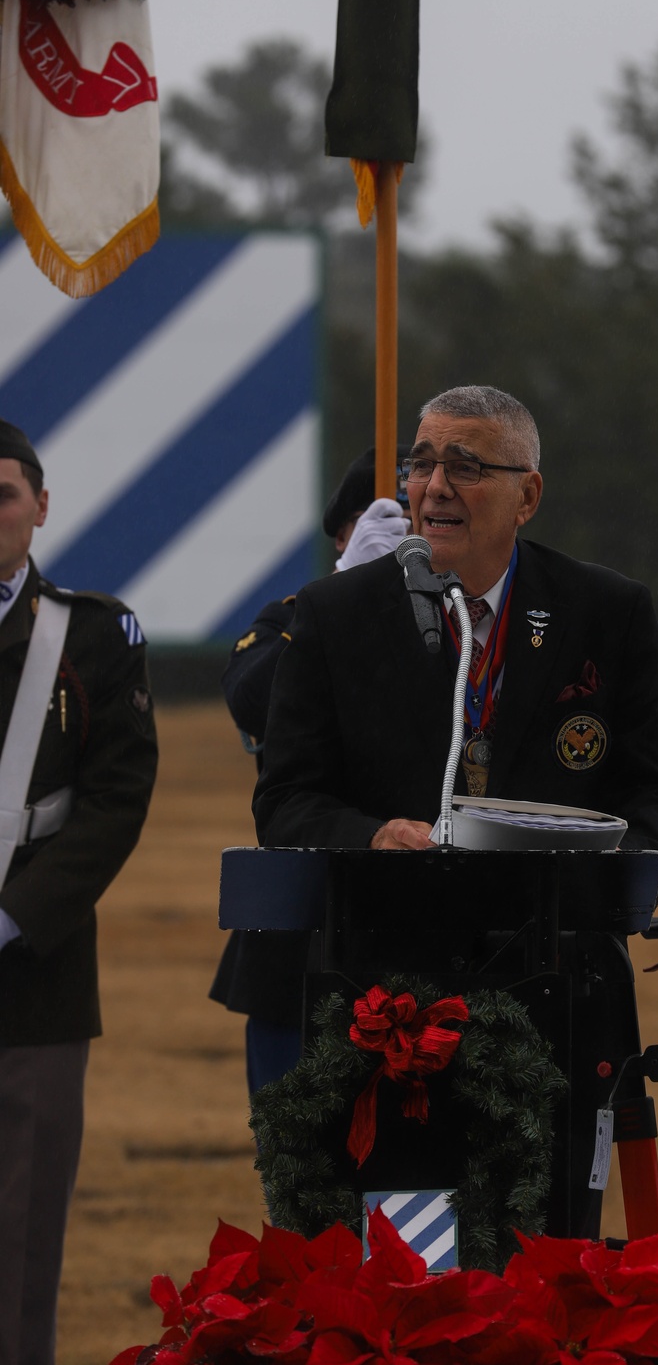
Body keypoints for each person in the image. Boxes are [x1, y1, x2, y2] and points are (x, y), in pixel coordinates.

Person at [252, 384, 658, 1232]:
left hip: (559, 995)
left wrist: (620, 872)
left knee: (548, 1264)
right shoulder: (335, 614)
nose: (433, 488)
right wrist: (370, 836)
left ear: (527, 494)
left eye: (465, 466)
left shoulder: (606, 612)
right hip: (380, 1001)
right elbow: (286, 801)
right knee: (401, 1272)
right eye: (421, 464)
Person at [0, 419, 158, 1365]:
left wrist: (16, 918)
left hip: (34, 976)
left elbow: (115, 795)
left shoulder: (93, 635)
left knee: (20, 1224)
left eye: (3, 494)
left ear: (41, 506)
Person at [209, 447, 409, 1097]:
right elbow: (251, 696)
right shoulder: (287, 621)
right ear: (344, 535)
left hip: (419, 928)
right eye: (383, 518)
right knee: (300, 1169)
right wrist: (349, 586)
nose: (404, 529)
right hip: (300, 933)